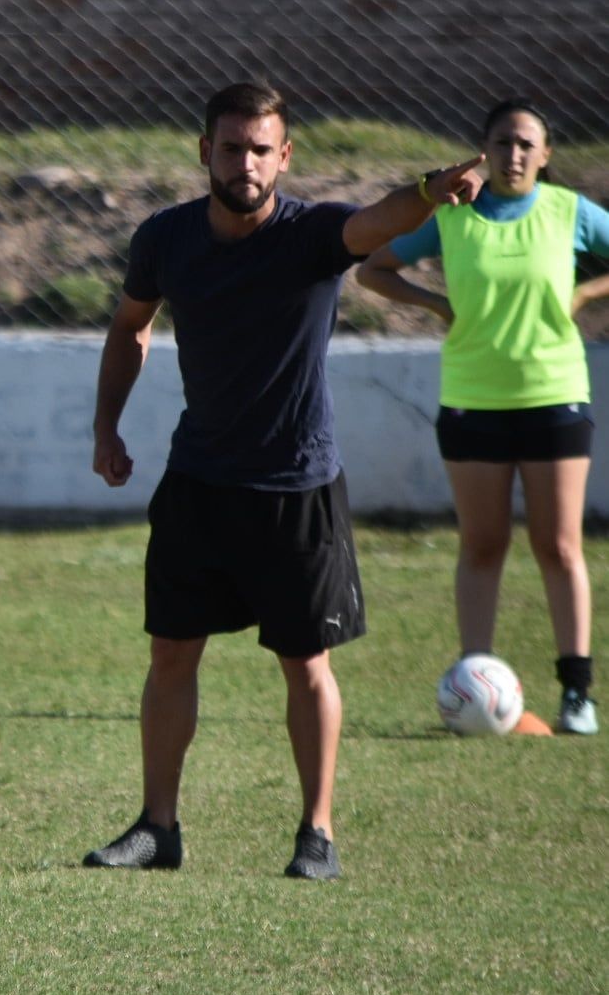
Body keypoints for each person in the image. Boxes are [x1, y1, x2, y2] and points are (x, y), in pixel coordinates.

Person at [87, 81, 485, 879]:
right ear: (205, 151)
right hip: (198, 478)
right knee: (171, 656)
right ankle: (157, 827)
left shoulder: (314, 235)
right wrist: (107, 425)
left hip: (297, 487)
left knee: (307, 666)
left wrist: (428, 192)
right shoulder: (164, 238)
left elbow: (379, 222)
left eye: (261, 149)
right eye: (231, 147)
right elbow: (131, 326)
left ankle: (318, 836)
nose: (246, 163)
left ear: (284, 155)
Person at [357, 98, 609, 735]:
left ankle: (577, 693)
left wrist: (587, 289)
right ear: (484, 150)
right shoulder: (452, 216)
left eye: (527, 144)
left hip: (555, 396)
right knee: (483, 545)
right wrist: (437, 306)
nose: (514, 154)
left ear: (546, 155)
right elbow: (374, 269)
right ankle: (474, 685)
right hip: (472, 399)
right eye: (502, 142)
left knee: (558, 546)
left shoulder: (568, 212)